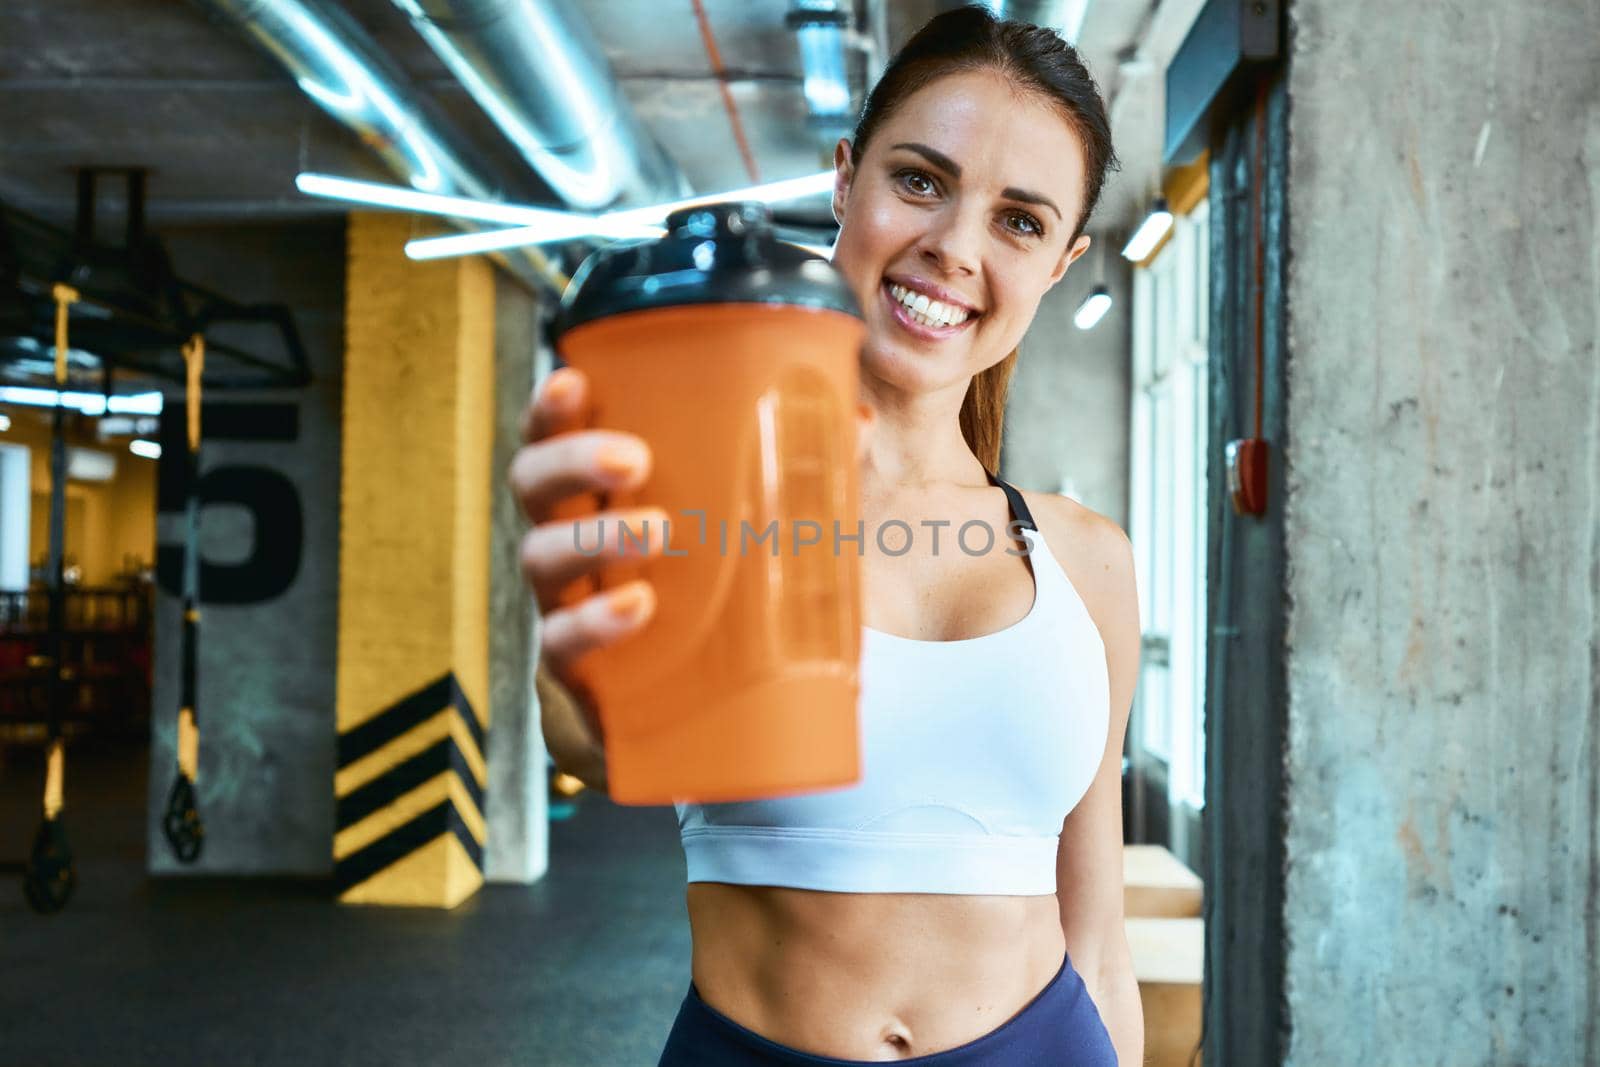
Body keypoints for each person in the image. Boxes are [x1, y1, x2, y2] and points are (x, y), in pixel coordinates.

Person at [513, 6, 1142, 1063]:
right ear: (845, 180)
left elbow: (1099, 939)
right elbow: (583, 733)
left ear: (1062, 259)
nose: (952, 248)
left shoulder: (1088, 558)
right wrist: (600, 692)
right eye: (920, 181)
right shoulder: (705, 505)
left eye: (1019, 221)